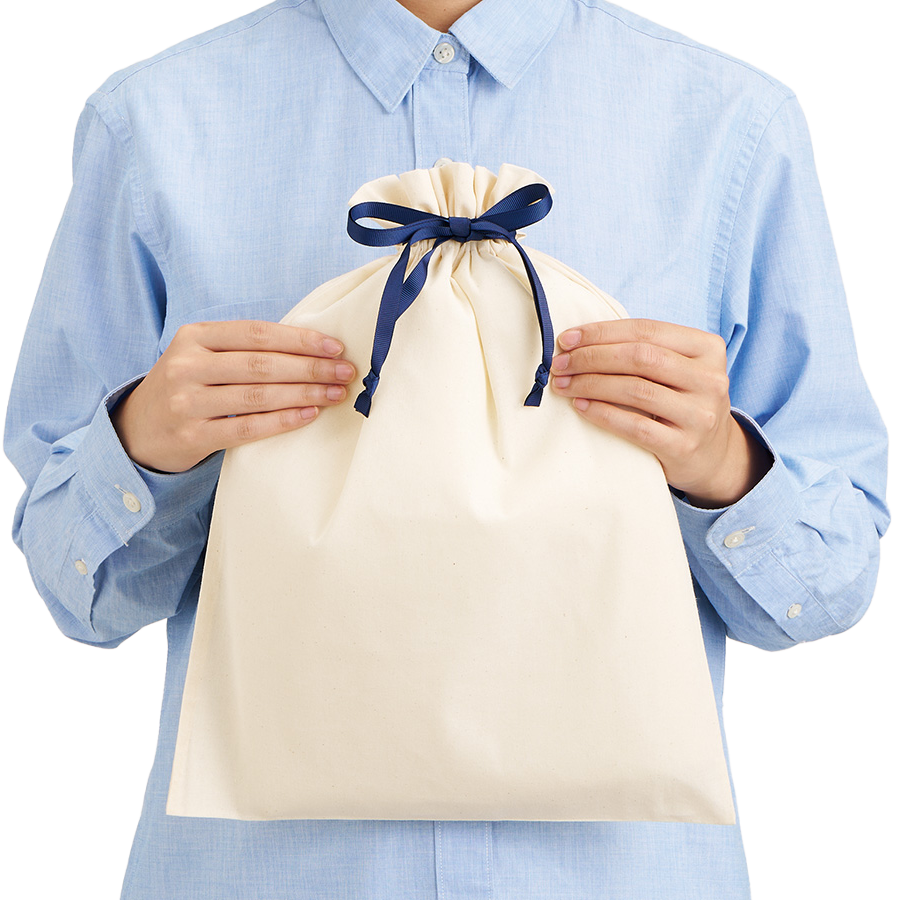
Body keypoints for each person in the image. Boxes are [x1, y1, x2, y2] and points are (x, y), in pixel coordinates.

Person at [3, 0, 889, 897]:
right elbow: (83, 597)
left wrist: (723, 466)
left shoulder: (729, 127)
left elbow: (826, 590)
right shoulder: (153, 124)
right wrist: (146, 445)